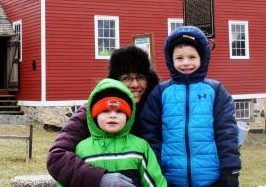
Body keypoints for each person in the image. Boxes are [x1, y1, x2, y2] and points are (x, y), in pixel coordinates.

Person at [139, 26, 241, 187]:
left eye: (192, 57)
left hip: (212, 178)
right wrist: (156, 169)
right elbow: (150, 134)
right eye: (179, 58)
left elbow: (227, 133)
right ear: (171, 60)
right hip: (170, 178)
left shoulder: (216, 90)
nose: (186, 63)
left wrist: (230, 170)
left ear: (202, 58)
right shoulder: (161, 92)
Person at [47, 46, 159, 187]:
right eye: (126, 78)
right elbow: (57, 157)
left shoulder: (157, 105)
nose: (135, 84)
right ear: (115, 81)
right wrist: (99, 178)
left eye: (141, 77)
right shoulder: (92, 112)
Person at [56, 78, 167, 187]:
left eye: (119, 111)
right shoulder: (82, 149)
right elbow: (70, 181)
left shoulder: (140, 147)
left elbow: (154, 181)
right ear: (94, 116)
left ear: (128, 116)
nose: (113, 115)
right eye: (105, 111)